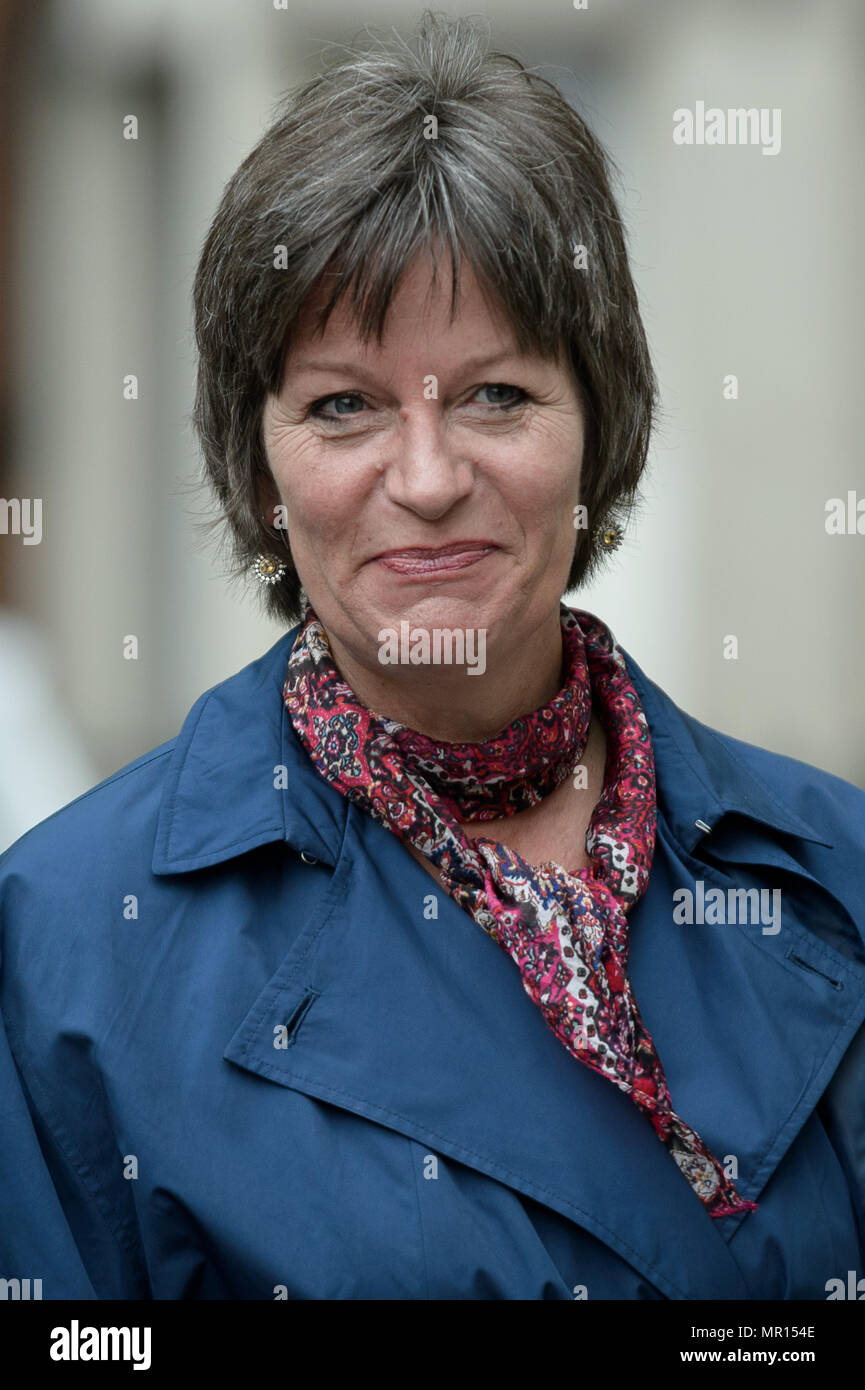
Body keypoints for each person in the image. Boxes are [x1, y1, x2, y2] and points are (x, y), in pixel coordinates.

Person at [1, 11, 864, 1302]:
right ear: (259, 462)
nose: (426, 475)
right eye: (343, 403)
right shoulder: (67, 944)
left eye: (494, 395)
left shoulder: (836, 873)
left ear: (601, 424)